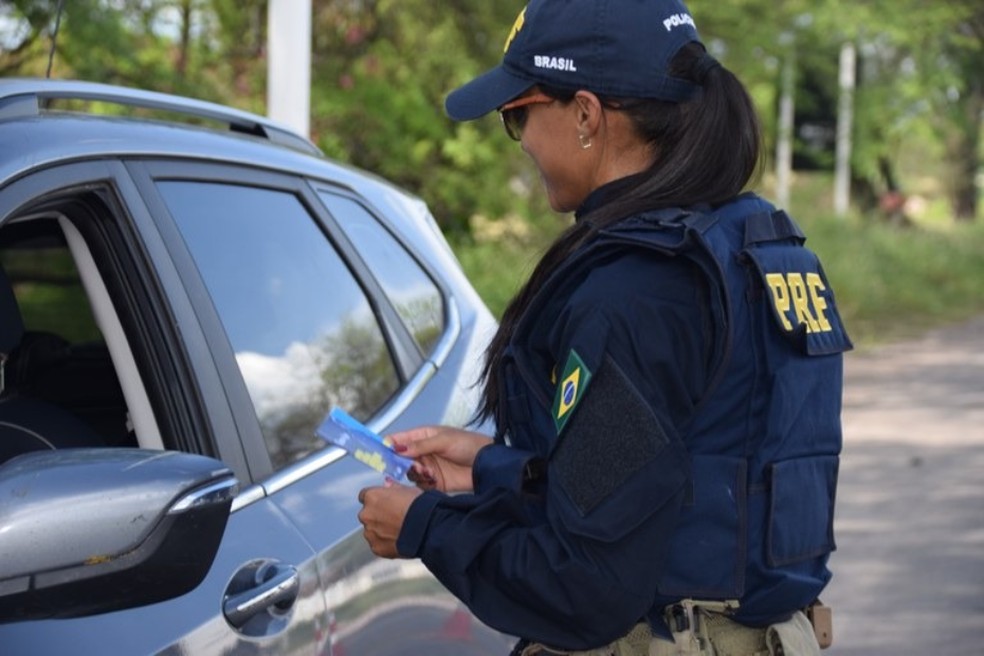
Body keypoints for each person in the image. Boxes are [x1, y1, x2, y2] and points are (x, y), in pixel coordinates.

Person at [357, 0, 851, 654]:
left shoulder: (638, 294)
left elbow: (584, 588)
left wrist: (425, 528)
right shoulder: (754, 252)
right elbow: (677, 472)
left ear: (586, 114)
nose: (523, 139)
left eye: (518, 116)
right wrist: (499, 471)